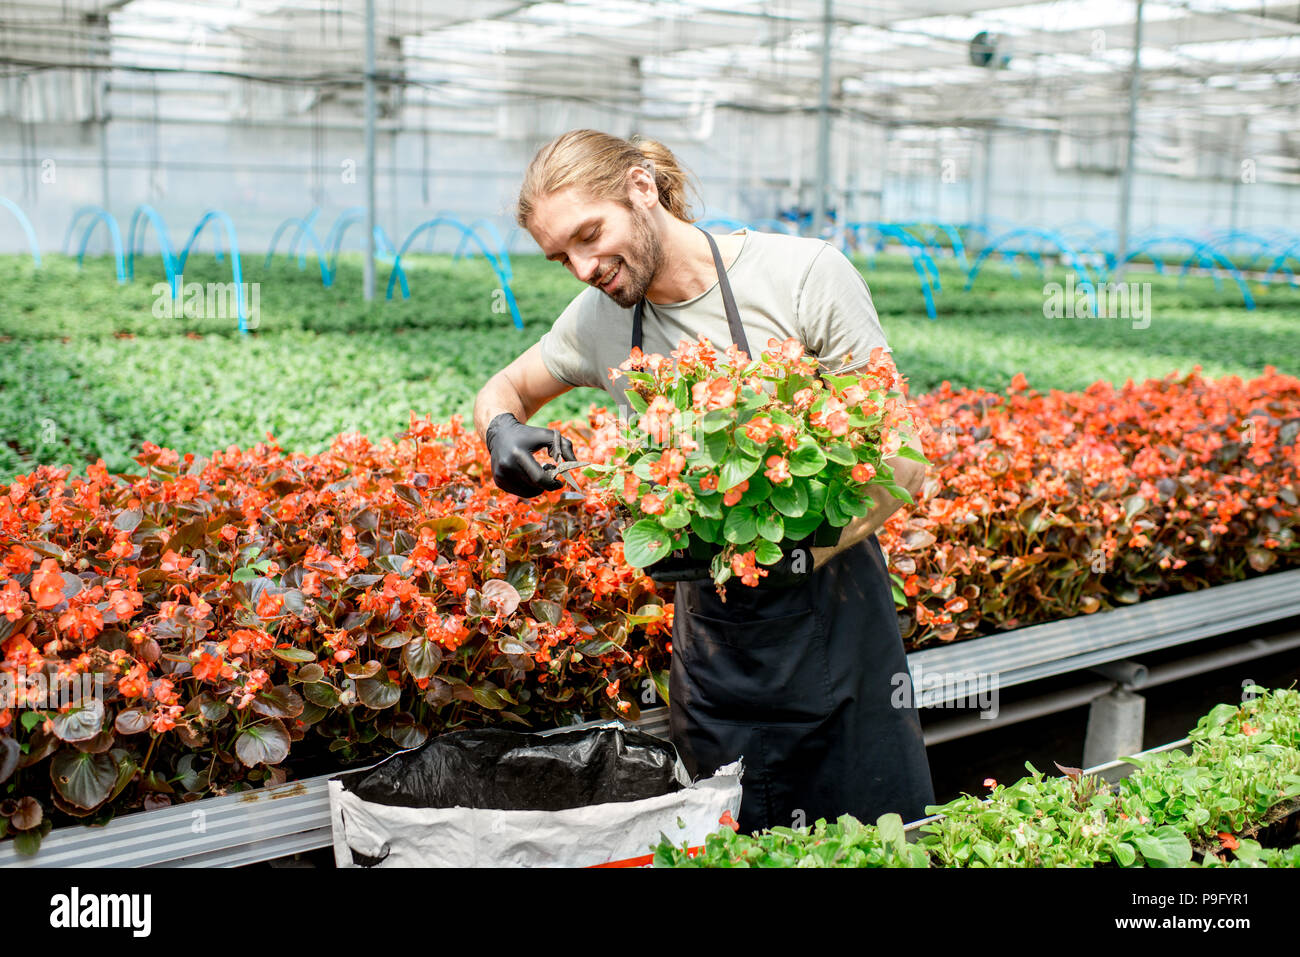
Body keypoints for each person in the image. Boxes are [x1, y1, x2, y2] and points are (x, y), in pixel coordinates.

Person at [473, 129, 935, 834]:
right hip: (718, 664)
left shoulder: (802, 274)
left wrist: (803, 546)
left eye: (590, 236)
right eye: (560, 255)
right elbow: (505, 385)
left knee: (872, 841)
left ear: (641, 188)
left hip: (838, 639)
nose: (582, 267)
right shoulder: (603, 320)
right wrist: (500, 430)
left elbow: (903, 458)